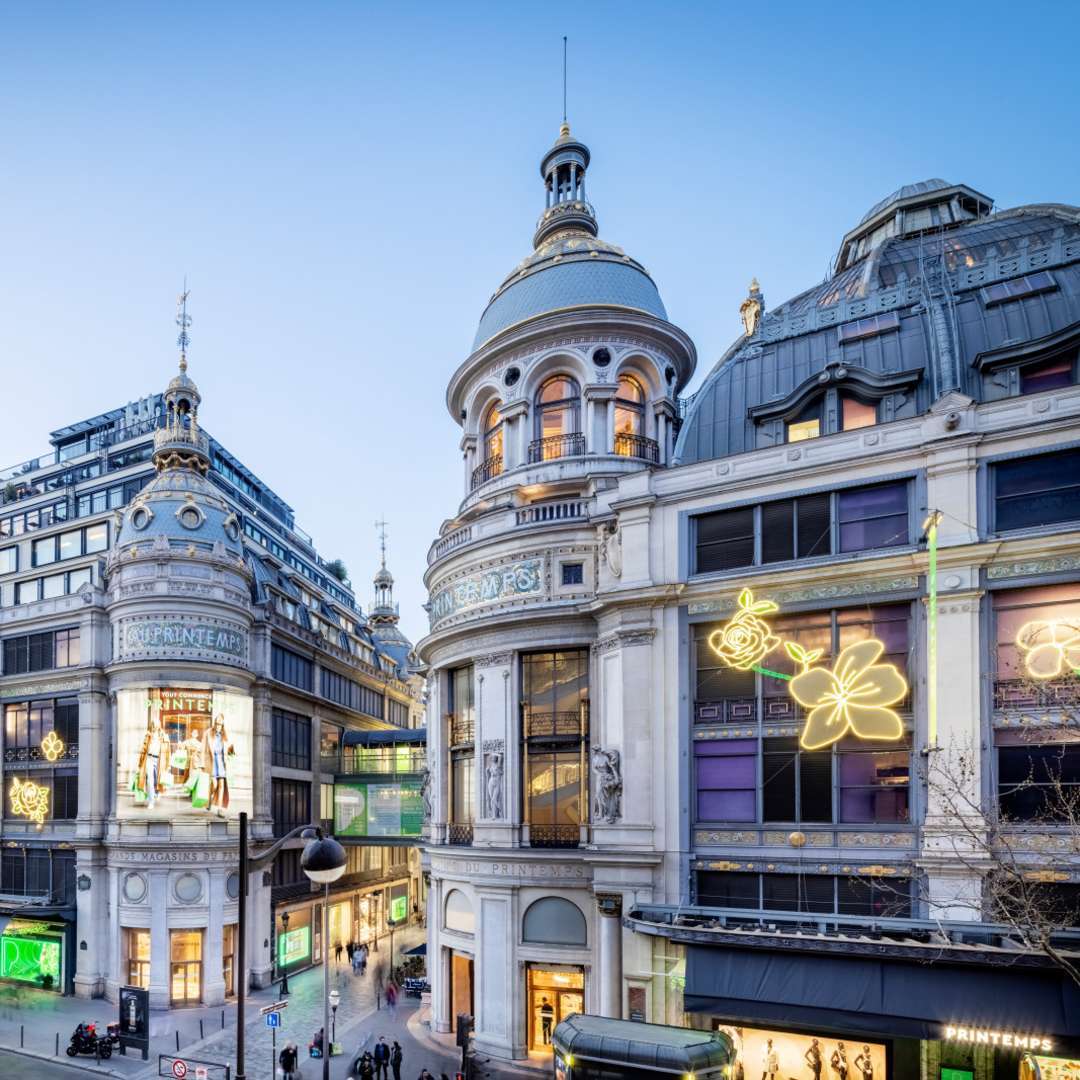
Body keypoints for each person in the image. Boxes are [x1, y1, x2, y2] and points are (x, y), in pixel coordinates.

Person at [136, 714, 170, 810]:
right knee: (149, 780)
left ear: (159, 725)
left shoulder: (164, 736)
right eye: (153, 725)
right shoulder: (148, 735)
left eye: (156, 725)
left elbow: (168, 751)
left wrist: (168, 765)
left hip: (159, 760)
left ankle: (157, 792)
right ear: (151, 725)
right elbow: (143, 750)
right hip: (149, 759)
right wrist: (140, 764)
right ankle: (151, 801)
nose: (154, 727)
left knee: (157, 780)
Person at [203, 714, 234, 816]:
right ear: (214, 723)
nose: (218, 726)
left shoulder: (225, 735)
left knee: (221, 785)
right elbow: (203, 749)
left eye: (220, 724)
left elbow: (229, 750)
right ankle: (209, 801)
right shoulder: (208, 733)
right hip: (212, 762)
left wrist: (231, 751)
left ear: (223, 724)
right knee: (214, 785)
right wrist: (201, 764)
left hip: (221, 762)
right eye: (216, 723)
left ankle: (220, 809)